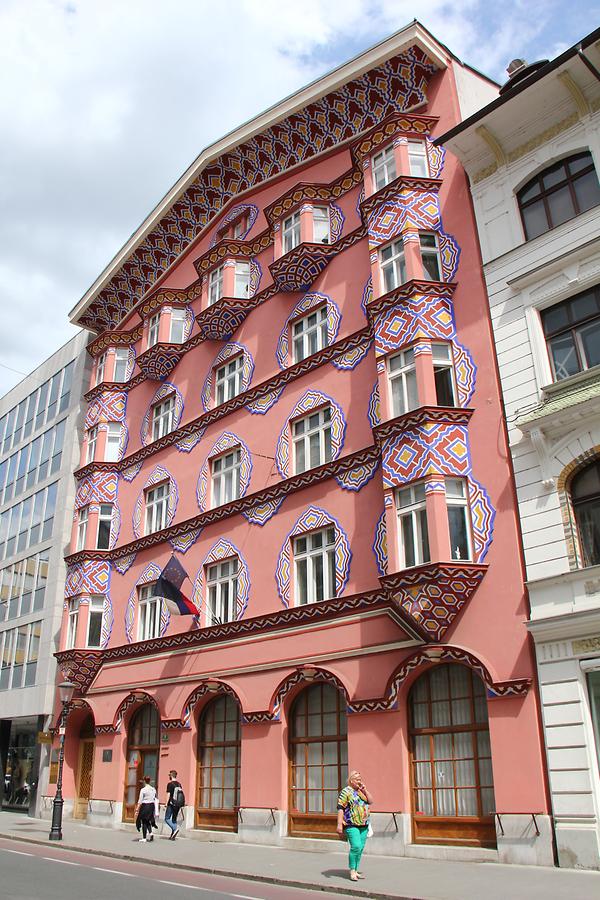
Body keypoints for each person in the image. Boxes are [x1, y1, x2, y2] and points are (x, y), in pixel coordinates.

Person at [336, 770, 373, 882]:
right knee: (356, 846)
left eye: (360, 780)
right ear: (351, 780)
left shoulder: (361, 792)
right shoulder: (345, 792)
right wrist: (339, 824)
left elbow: (371, 801)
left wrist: (365, 790)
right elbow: (340, 808)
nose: (359, 781)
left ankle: (356, 870)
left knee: (360, 848)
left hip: (364, 824)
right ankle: (352, 870)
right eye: (357, 780)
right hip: (351, 824)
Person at [135, 775, 157, 842]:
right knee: (148, 820)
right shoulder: (153, 789)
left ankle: (144, 838)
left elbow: (140, 800)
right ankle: (151, 833)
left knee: (144, 821)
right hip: (151, 805)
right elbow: (154, 798)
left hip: (145, 806)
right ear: (149, 781)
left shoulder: (143, 790)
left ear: (144, 781)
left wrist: (137, 809)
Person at [164, 769, 184, 840]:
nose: (169, 776)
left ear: (171, 776)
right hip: (178, 804)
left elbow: (168, 794)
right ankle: (173, 835)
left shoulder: (170, 784)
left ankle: (174, 829)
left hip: (171, 803)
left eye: (169, 775)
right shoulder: (179, 784)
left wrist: (166, 803)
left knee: (166, 818)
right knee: (174, 820)